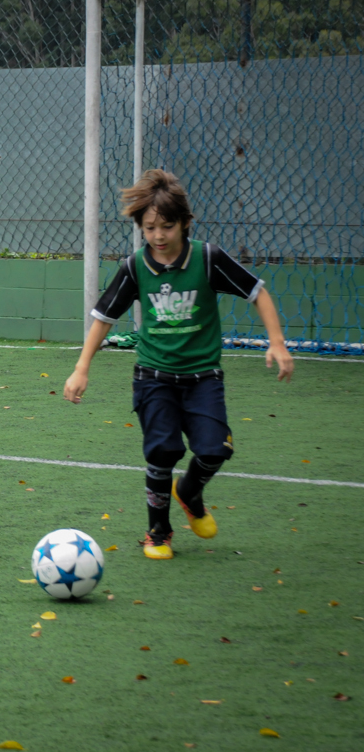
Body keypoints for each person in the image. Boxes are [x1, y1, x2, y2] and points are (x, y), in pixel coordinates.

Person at [63, 169, 295, 560]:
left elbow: (257, 292)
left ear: (186, 223)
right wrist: (82, 367)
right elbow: (103, 317)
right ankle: (158, 531)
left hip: (204, 380)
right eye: (149, 227)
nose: (158, 236)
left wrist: (277, 342)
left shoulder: (207, 259)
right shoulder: (134, 267)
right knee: (162, 452)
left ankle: (189, 491)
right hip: (154, 380)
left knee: (215, 450)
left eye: (167, 227)